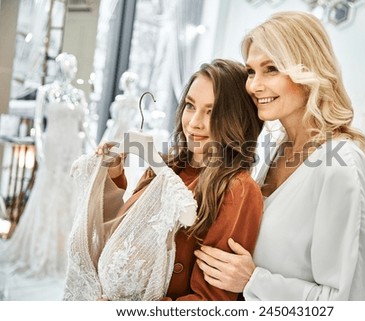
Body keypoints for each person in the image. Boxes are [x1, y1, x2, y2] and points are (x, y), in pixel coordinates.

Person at [194, 11, 365, 301]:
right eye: (251, 71)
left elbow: (345, 301)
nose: (254, 85)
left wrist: (253, 280)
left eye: (271, 69)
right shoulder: (276, 149)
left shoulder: (340, 163)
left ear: (308, 71)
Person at [63, 59, 264, 300]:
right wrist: (115, 176)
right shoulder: (166, 166)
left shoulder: (237, 189)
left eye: (212, 111)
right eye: (190, 106)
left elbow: (211, 302)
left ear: (237, 119)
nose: (194, 123)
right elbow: (123, 240)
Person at [0, 52, 93, 279]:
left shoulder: (79, 95)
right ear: (60, 67)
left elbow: (86, 126)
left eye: (74, 65)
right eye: (68, 65)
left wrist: (93, 150)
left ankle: (65, 252)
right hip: (52, 148)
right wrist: (40, 150)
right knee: (48, 194)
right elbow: (38, 125)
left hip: (72, 149)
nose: (71, 69)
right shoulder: (46, 92)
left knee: (69, 197)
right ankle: (43, 250)